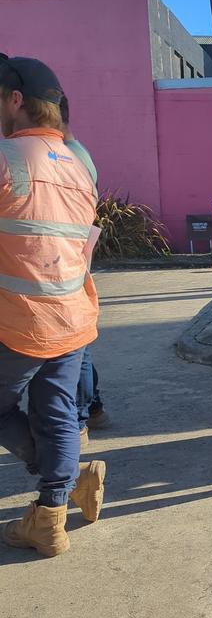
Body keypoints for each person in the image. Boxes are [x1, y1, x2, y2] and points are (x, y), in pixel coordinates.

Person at [0, 55, 106, 556]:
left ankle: (61, 492)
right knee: (57, 414)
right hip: (71, 312)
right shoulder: (81, 161)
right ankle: (53, 513)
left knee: (38, 414)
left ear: (15, 101)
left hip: (19, 320)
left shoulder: (5, 157)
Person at [60, 95, 109, 441]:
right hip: (73, 263)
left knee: (76, 347)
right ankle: (90, 408)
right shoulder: (77, 155)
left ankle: (83, 413)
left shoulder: (68, 158)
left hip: (67, 266)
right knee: (80, 344)